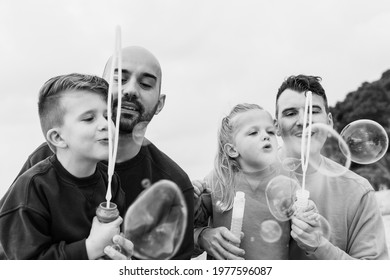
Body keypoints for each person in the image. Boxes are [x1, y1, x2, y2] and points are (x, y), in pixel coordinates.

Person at [3, 46, 194, 260]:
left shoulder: (172, 182)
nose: (130, 90)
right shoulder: (44, 163)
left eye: (146, 84)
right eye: (119, 79)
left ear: (159, 104)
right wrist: (88, 249)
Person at [0, 74, 127, 259]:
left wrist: (121, 256)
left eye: (108, 116)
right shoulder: (32, 190)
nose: (106, 124)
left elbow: (113, 244)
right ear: (58, 138)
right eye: (89, 118)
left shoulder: (110, 181)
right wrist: (89, 248)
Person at [275, 74, 389, 259]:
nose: (304, 121)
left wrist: (320, 246)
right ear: (276, 126)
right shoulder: (240, 174)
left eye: (313, 111)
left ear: (329, 122)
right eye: (290, 113)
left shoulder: (358, 192)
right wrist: (208, 232)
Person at [193, 103, 318, 260]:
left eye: (270, 131)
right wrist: (192, 200)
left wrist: (308, 218)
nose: (266, 136)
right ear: (232, 149)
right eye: (253, 132)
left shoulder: (287, 179)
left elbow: (302, 233)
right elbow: (191, 235)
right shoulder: (218, 179)